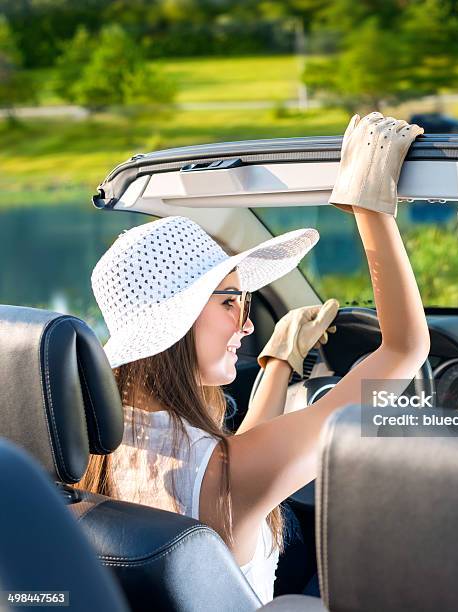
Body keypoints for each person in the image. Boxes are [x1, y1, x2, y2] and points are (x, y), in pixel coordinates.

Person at [77, 111, 430, 605]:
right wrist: (370, 208)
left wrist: (279, 362)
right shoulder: (227, 475)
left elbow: (235, 458)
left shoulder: (99, 453)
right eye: (230, 302)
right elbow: (404, 349)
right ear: (176, 326)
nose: (246, 323)